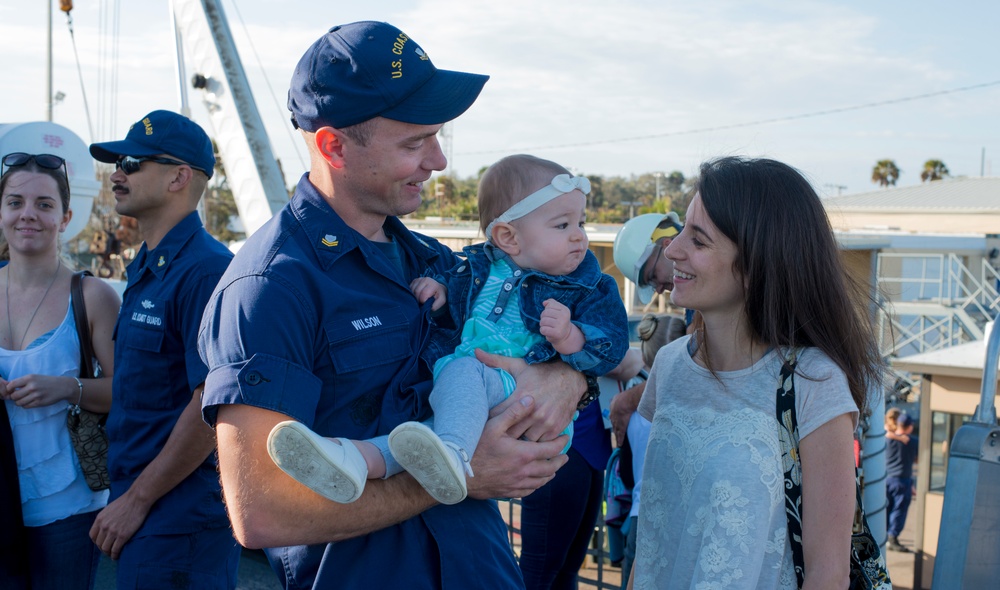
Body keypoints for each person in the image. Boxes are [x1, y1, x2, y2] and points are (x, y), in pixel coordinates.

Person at [197, 21, 587, 589]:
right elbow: (261, 512)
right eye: (414, 144)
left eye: (437, 138)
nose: (439, 160)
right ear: (333, 146)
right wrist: (456, 476)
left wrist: (567, 378)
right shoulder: (270, 287)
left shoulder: (437, 263)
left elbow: (537, 340)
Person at [268, 154, 629, 508]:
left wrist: (570, 338)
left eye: (581, 223)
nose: (579, 237)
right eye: (563, 226)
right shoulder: (473, 270)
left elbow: (612, 344)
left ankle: (453, 455)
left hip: (513, 396)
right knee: (417, 436)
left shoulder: (589, 287)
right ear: (508, 237)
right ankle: (353, 458)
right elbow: (457, 304)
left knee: (459, 382)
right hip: (472, 394)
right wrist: (440, 294)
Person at [628, 156, 883, 589]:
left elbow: (828, 573)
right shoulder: (668, 366)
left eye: (698, 240)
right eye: (681, 231)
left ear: (757, 263)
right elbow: (654, 535)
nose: (672, 250)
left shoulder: (812, 382)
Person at [85, 111, 238, 589]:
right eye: (118, 164)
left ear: (178, 178)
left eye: (132, 163)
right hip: (148, 506)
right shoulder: (151, 265)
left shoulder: (205, 271)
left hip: (177, 518)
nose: (117, 174)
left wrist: (137, 501)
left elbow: (213, 403)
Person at [0, 152, 120, 589]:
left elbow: (127, 392)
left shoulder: (93, 296)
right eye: (15, 202)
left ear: (65, 218)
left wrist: (68, 387)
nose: (28, 214)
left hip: (66, 507)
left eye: (44, 204)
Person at [617, 313, 685, 590]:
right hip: (673, 519)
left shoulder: (635, 413)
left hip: (638, 514)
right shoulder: (684, 409)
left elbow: (626, 473)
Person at [885, 409, 918, 552]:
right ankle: (892, 538)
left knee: (886, 509)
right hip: (902, 481)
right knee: (899, 511)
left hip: (887, 480)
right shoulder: (913, 441)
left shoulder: (887, 438)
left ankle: (884, 536)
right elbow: (917, 459)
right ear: (909, 427)